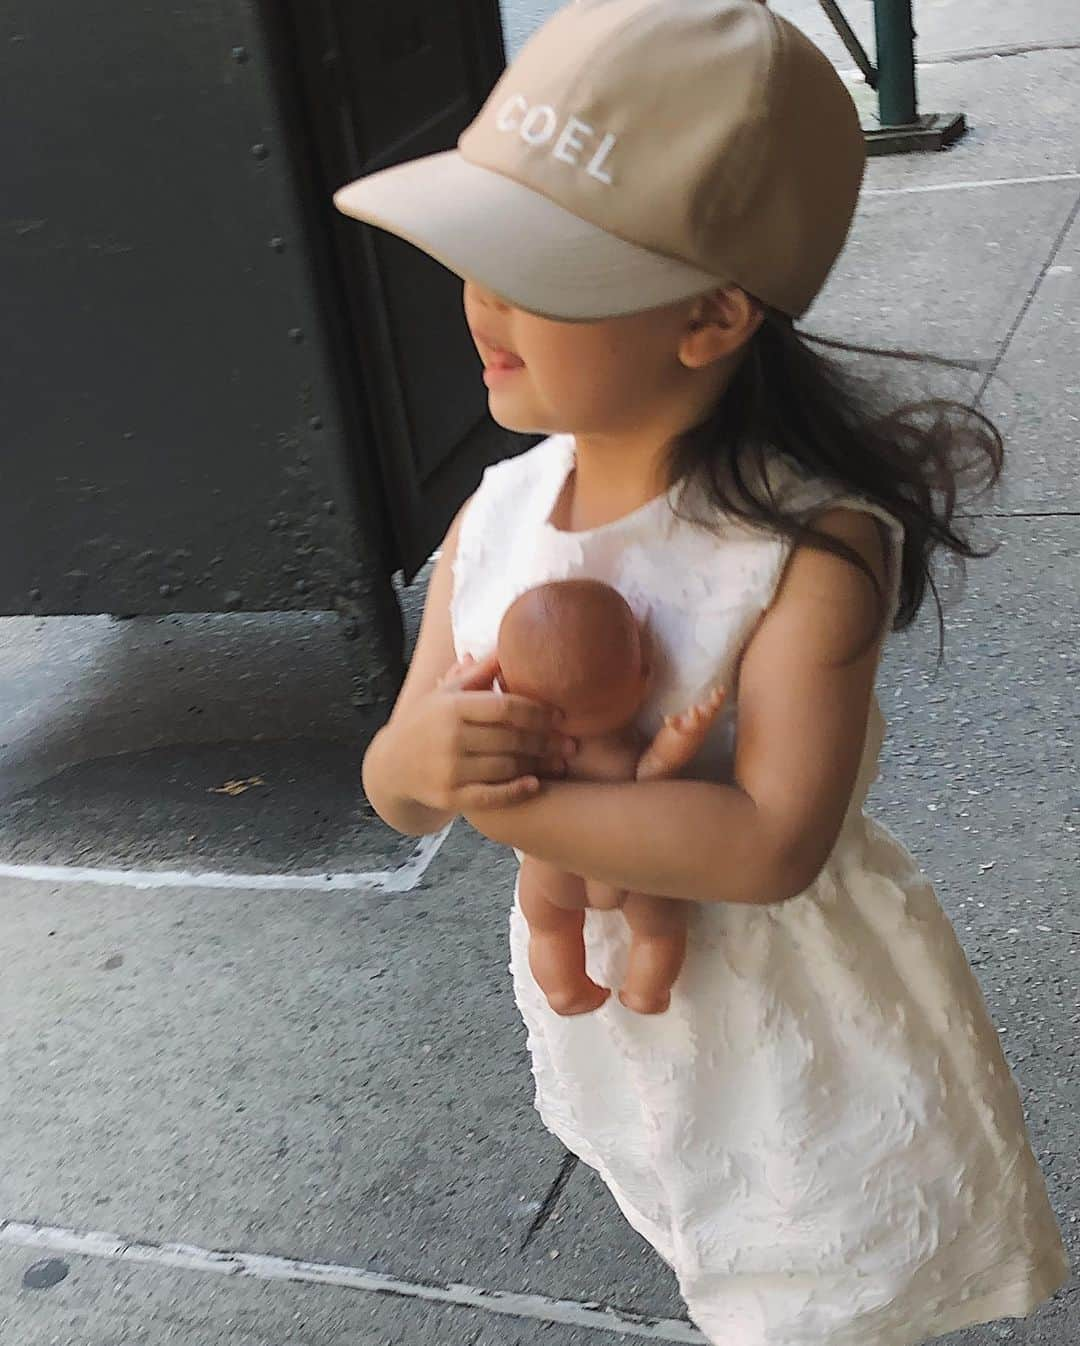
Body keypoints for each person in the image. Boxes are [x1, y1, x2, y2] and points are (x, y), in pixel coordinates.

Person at [341, 1, 1071, 1342]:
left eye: (536, 269)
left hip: (797, 1023)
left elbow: (767, 839)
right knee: (702, 1243)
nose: (480, 302)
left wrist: (506, 806)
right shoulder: (493, 517)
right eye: (475, 252)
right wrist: (419, 761)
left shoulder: (807, 549)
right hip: (624, 1021)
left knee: (814, 1299)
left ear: (711, 312)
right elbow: (398, 782)